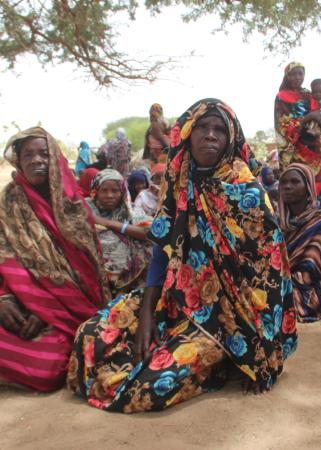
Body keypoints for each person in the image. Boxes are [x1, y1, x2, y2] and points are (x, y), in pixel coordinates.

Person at [68, 98, 298, 413]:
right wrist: (147, 314)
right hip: (174, 297)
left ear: (231, 137)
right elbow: (162, 251)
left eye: (219, 129)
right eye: (203, 127)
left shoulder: (247, 192)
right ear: (187, 133)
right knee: (91, 335)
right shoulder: (179, 183)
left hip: (227, 319)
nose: (211, 135)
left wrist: (259, 351)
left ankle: (226, 359)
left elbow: (269, 277)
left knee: (151, 385)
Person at [0, 127, 109, 392]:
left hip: (64, 311)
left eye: (43, 154)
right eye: (28, 155)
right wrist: (4, 299)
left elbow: (89, 273)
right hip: (14, 303)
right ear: (19, 161)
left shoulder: (74, 206)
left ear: (56, 159)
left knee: (50, 368)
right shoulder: (7, 204)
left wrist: (45, 310)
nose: (36, 160)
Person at [279, 163, 321, 321]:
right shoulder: (280, 222)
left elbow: (312, 272)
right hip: (286, 279)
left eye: (295, 182)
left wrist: (277, 279)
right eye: (283, 182)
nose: (287, 187)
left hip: (314, 286)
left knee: (276, 301)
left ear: (308, 187)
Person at [86, 169, 151, 295]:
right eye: (104, 190)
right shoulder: (86, 208)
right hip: (95, 280)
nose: (110, 195)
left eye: (115, 191)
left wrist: (107, 223)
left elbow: (148, 233)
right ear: (95, 191)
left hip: (132, 281)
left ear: (122, 192)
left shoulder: (131, 211)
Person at [274, 62, 321, 206]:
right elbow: (282, 125)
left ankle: (319, 215)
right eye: (293, 74)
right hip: (296, 152)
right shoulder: (281, 97)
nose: (297, 77)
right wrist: (309, 117)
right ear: (287, 76)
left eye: (300, 73)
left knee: (320, 184)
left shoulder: (309, 94)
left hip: (316, 148)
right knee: (300, 184)